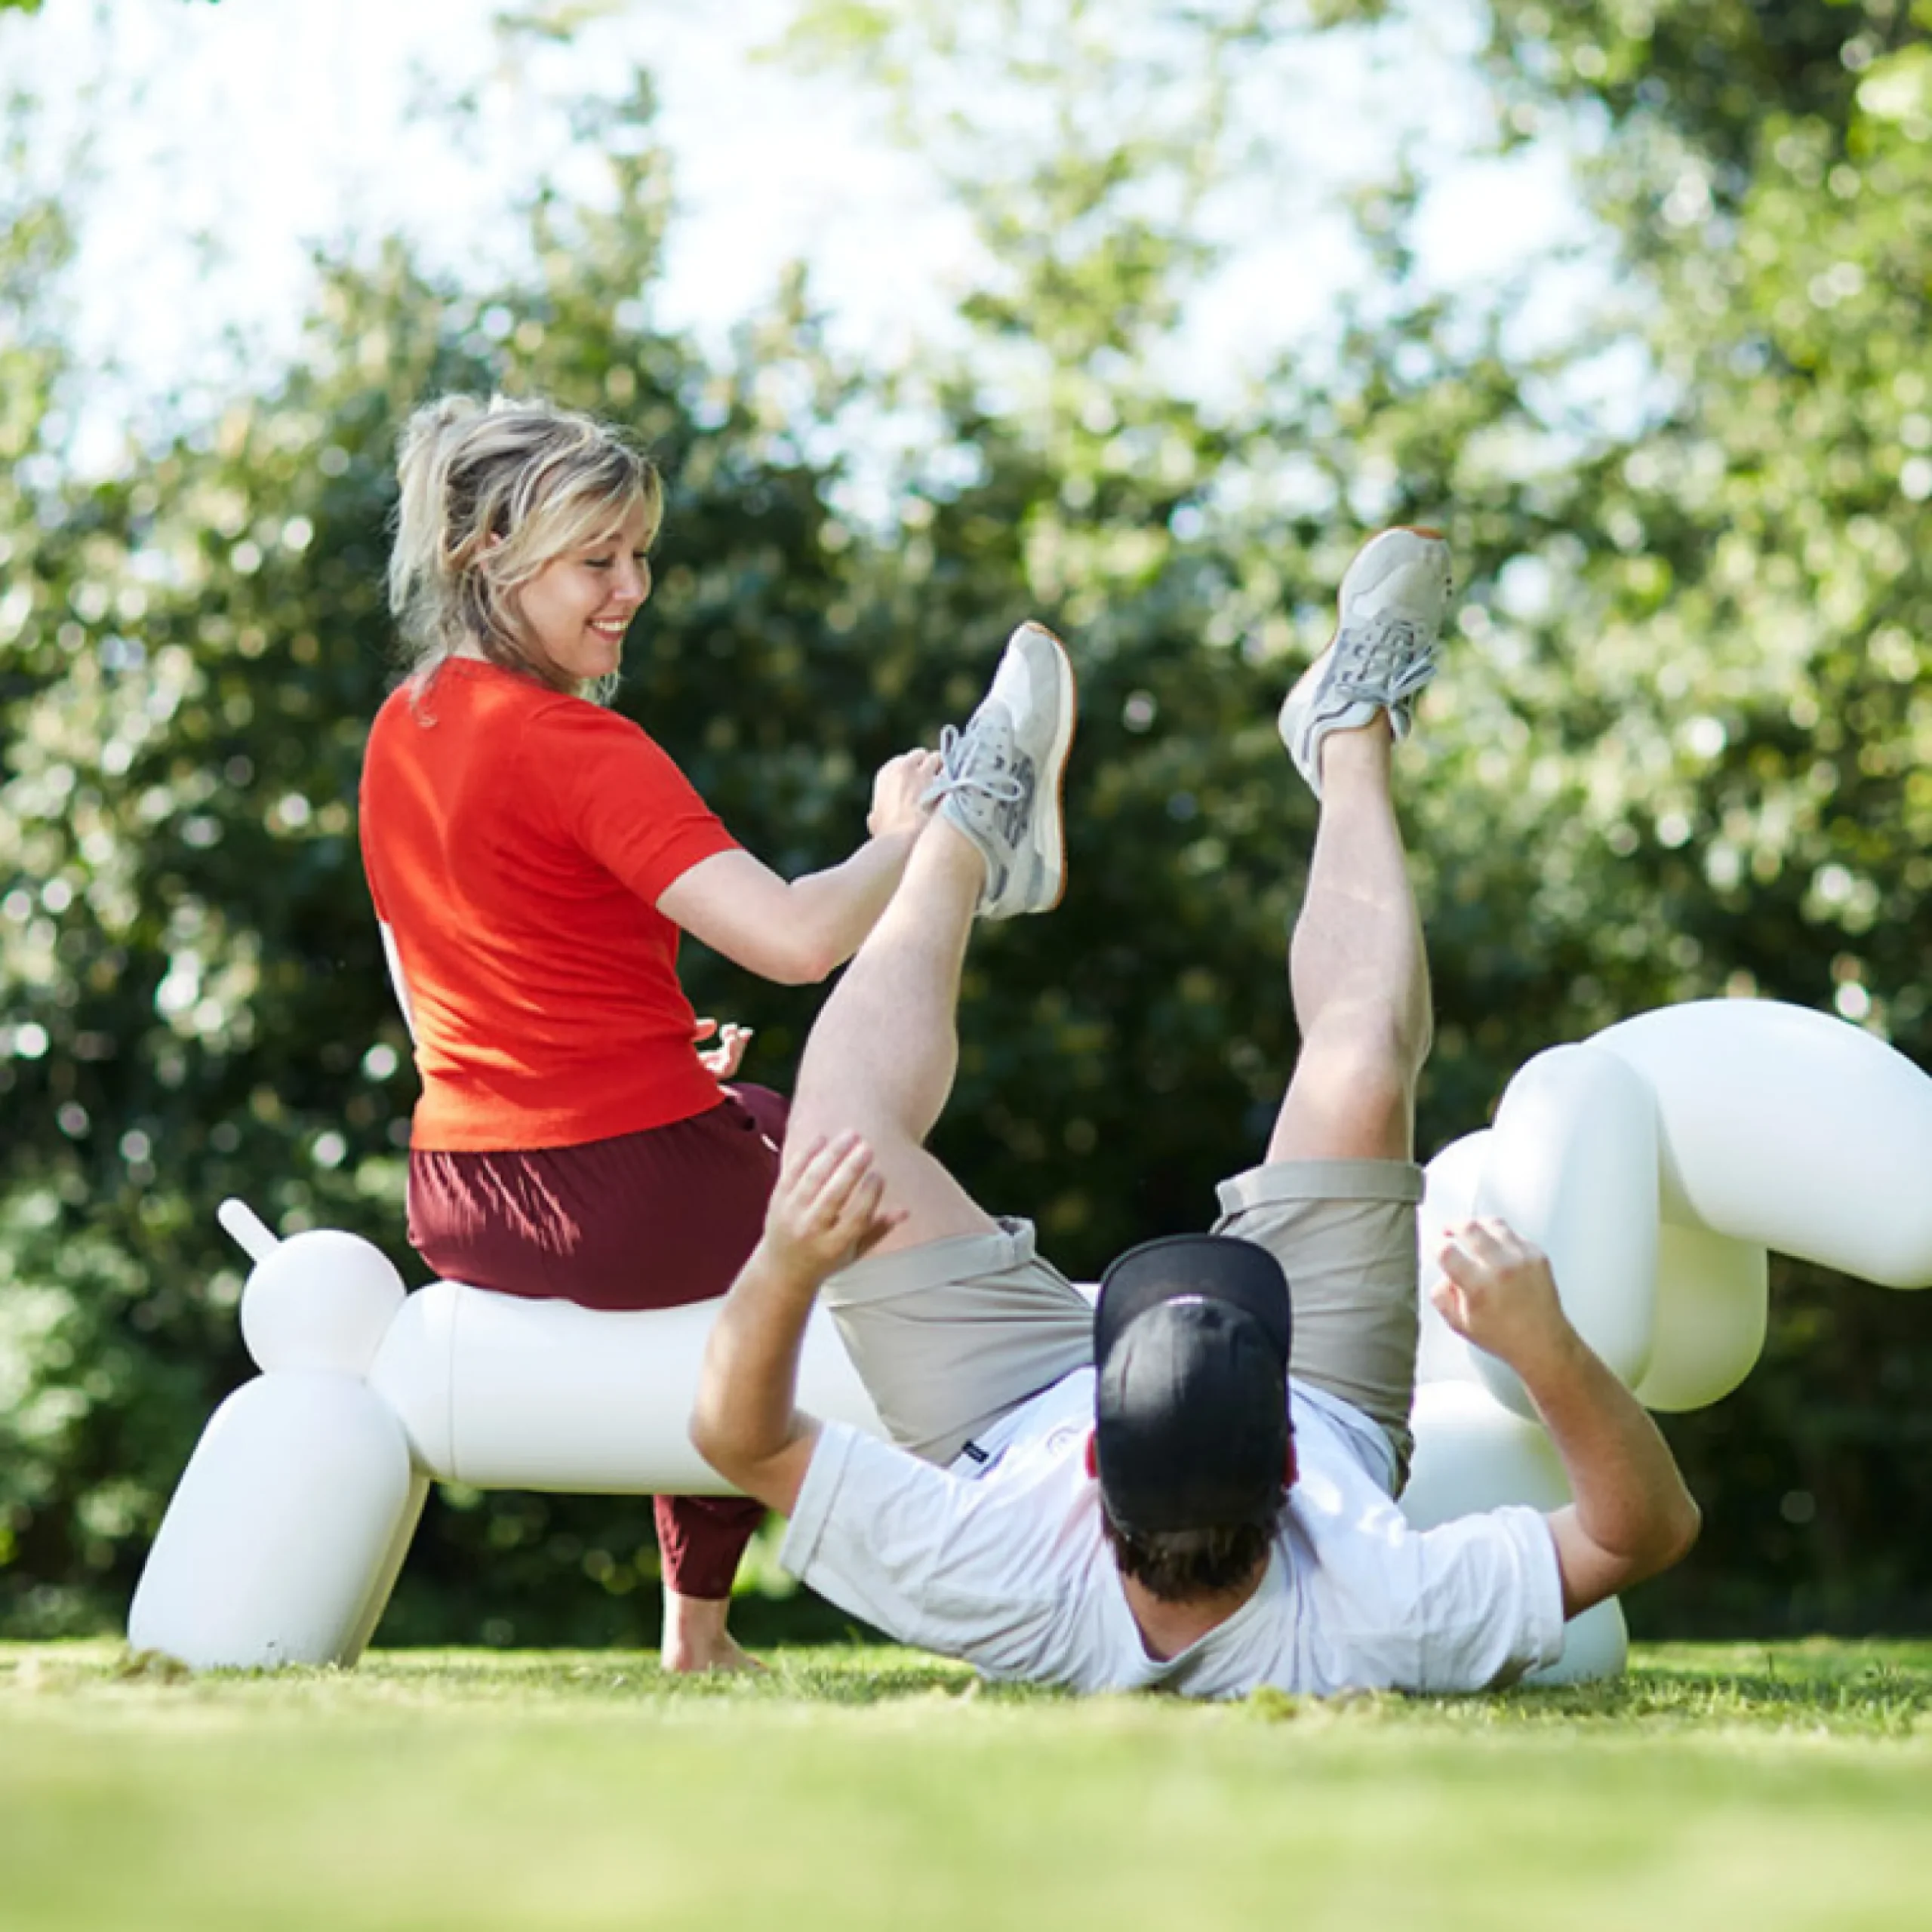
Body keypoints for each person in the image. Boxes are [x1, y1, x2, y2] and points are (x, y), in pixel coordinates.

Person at [690, 528, 1702, 1696]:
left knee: (838, 1151)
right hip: (1329, 1388)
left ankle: (969, 832)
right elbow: (1644, 1530)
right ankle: (1350, 734)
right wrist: (1547, 1347)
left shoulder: (999, 1575)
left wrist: (788, 1261)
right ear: (1290, 1467)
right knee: (1361, 1067)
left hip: (998, 1410)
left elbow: (738, 1436)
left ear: (1091, 1462)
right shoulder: (1374, 1611)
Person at [358, 393, 940, 1672]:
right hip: (611, 1195)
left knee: (759, 1137)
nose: (632, 590)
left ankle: (701, 1639)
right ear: (488, 557)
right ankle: (996, 1558)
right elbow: (796, 940)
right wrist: (904, 840)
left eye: (639, 555)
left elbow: (427, 976)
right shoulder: (579, 743)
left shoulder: (406, 725)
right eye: (596, 560)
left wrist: (644, 1063)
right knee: (865, 1186)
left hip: (457, 1193)